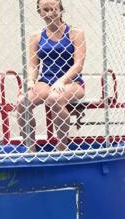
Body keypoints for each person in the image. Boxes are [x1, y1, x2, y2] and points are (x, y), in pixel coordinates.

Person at [17, 0, 86, 152]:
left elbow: (78, 65)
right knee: (23, 102)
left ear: (61, 10)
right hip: (46, 80)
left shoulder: (75, 33)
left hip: (72, 81)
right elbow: (33, 65)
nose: (49, 13)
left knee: (54, 98)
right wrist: (30, 81)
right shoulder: (36, 36)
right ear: (39, 12)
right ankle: (30, 148)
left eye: (53, 9)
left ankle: (61, 148)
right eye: (45, 10)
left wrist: (62, 81)